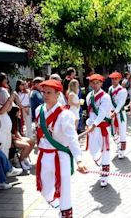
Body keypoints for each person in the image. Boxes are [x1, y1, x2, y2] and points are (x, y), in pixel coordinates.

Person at [35, 79, 87, 217]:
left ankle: (65, 213)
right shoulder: (38, 110)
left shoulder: (65, 115)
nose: (45, 95)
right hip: (44, 156)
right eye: (43, 92)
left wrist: (79, 160)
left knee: (64, 190)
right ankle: (58, 205)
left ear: (58, 94)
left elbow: (72, 138)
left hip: (60, 156)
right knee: (45, 191)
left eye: (49, 92)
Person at [85, 74, 113, 187]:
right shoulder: (88, 96)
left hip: (102, 127)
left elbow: (102, 113)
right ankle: (101, 163)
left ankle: (104, 175)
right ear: (90, 84)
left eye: (97, 83)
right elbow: (90, 113)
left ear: (101, 83)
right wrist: (89, 123)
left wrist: (95, 124)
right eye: (93, 83)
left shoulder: (105, 97)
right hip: (92, 126)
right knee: (93, 151)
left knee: (105, 151)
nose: (95, 85)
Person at [108, 72, 128, 159]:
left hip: (120, 114)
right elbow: (108, 102)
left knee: (122, 131)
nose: (113, 80)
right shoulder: (110, 89)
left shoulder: (123, 90)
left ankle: (122, 151)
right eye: (112, 79)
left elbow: (120, 103)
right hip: (112, 113)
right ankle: (118, 145)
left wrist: (115, 113)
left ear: (119, 79)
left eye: (115, 79)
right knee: (114, 132)